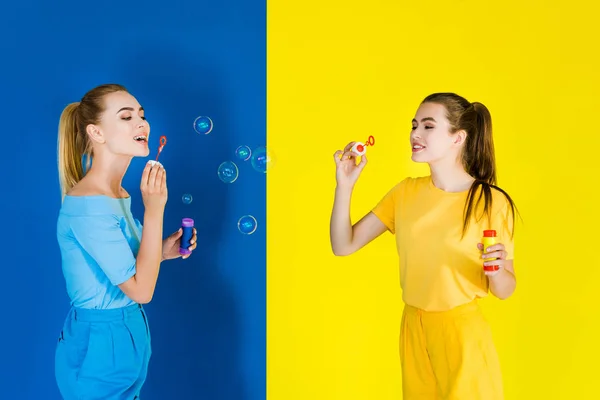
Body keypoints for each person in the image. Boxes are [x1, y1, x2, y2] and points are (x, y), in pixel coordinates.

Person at [330, 92, 519, 400]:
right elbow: (343, 244)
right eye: (414, 125)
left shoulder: (490, 201)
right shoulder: (404, 193)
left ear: (458, 137)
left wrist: (496, 270)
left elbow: (505, 289)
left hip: (461, 332)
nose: (415, 134)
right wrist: (345, 186)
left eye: (428, 126)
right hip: (413, 328)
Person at [54, 83, 197, 400]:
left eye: (142, 115)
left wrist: (160, 252)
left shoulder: (115, 195)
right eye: (126, 116)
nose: (141, 123)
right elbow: (141, 290)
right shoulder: (89, 206)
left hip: (123, 337)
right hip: (101, 348)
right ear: (96, 133)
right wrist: (155, 209)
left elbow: (120, 269)